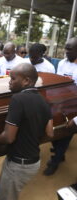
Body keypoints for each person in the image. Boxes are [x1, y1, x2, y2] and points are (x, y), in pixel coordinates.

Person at [0, 63, 53, 200]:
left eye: (13, 79)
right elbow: (50, 133)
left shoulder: (18, 99)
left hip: (19, 165)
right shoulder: (44, 101)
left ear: (26, 81)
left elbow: (8, 137)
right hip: (33, 162)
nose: (9, 82)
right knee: (0, 188)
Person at [43, 37, 77, 176]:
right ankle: (59, 152)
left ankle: (55, 162)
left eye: (69, 49)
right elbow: (57, 83)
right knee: (54, 132)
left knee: (66, 134)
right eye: (66, 47)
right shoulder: (62, 63)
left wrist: (76, 119)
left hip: (74, 108)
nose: (66, 51)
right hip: (58, 105)